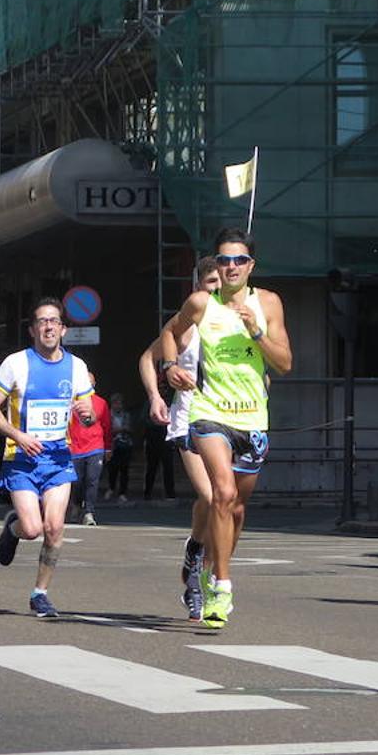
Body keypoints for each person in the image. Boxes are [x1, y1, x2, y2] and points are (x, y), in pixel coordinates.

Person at [160, 229, 292, 628]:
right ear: (215, 264)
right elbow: (169, 333)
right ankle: (222, 587)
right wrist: (171, 368)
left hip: (252, 417)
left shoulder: (267, 303)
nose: (230, 267)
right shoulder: (201, 303)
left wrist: (255, 332)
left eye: (238, 260)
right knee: (222, 491)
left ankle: (207, 566)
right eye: (223, 260)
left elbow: (284, 364)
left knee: (235, 509)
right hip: (209, 411)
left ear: (251, 265)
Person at [0, 297, 94, 618]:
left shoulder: (76, 367)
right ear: (33, 330)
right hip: (21, 459)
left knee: (54, 528)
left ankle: (39, 594)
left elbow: (88, 417)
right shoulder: (16, 363)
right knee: (32, 529)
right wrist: (18, 435)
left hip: (59, 460)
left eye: (54, 321)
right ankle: (12, 528)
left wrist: (87, 415)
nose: (48, 327)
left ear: (63, 329)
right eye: (42, 322)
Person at [139, 256, 221, 620]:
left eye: (222, 282)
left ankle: (197, 554)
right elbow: (147, 356)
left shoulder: (241, 322)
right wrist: (156, 395)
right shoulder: (187, 324)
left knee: (224, 504)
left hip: (230, 419)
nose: (217, 288)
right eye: (211, 282)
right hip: (189, 418)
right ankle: (197, 571)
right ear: (198, 285)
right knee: (210, 495)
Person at [68, 372, 111, 526]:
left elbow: (106, 426)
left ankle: (89, 512)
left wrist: (108, 448)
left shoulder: (101, 403)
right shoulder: (71, 403)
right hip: (75, 447)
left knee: (92, 480)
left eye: (90, 383)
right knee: (77, 481)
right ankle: (76, 505)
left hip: (95, 447)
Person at [104, 392, 133, 503]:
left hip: (125, 444)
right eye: (116, 403)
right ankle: (111, 488)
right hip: (112, 445)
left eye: (120, 403)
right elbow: (106, 429)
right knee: (112, 469)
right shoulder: (108, 415)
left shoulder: (126, 415)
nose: (118, 405)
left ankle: (122, 492)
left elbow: (130, 428)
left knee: (124, 469)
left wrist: (123, 429)